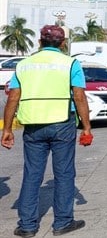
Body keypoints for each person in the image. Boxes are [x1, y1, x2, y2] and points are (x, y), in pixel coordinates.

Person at [2, 25, 91, 237]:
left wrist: (7, 129)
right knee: (64, 173)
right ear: (63, 44)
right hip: (62, 124)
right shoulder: (70, 64)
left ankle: (27, 226)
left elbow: (13, 97)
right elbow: (79, 97)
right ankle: (62, 223)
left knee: (32, 174)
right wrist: (86, 127)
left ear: (40, 42)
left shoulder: (24, 65)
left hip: (33, 126)